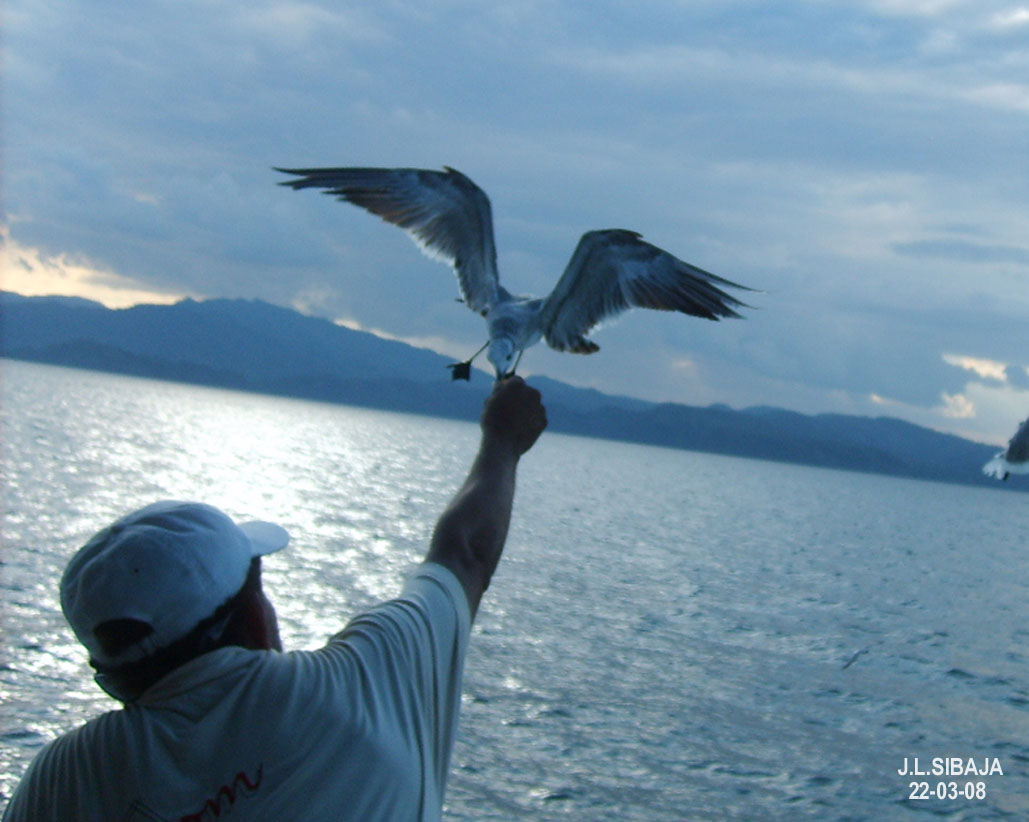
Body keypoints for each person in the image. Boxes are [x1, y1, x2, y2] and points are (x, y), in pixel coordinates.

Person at [3, 376, 547, 822]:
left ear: (112, 678)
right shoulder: (363, 685)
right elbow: (465, 553)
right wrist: (503, 439)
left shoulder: (64, 781)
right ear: (252, 620)